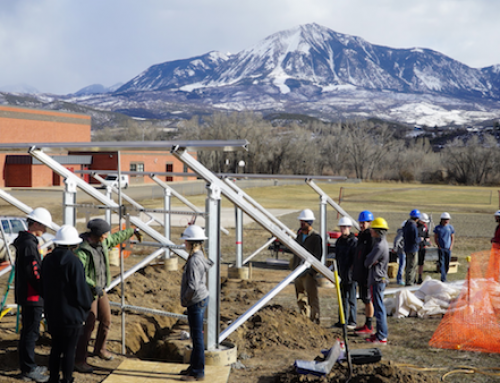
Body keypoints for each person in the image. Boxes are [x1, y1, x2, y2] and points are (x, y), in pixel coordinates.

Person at [74, 219, 142, 373]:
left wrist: (132, 231)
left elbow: (115, 238)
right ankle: (79, 359)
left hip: (100, 290)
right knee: (88, 324)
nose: (106, 238)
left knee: (106, 320)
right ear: (96, 235)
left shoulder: (102, 243)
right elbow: (81, 274)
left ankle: (100, 349)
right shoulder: (82, 251)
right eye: (103, 236)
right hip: (89, 292)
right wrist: (94, 285)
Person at [41, 226, 93, 383]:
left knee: (55, 348)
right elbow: (80, 289)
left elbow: (42, 286)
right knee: (70, 350)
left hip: (53, 312)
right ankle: (67, 378)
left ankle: (53, 378)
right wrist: (86, 306)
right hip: (73, 315)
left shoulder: (47, 260)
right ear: (73, 244)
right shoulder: (74, 262)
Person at [14, 208, 53, 383]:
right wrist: (43, 287)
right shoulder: (29, 244)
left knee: (28, 332)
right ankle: (28, 368)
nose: (45, 229)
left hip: (28, 294)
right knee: (31, 333)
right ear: (35, 223)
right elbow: (33, 271)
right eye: (43, 226)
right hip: (32, 296)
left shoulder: (27, 242)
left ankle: (27, 366)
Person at [178, 225, 213, 382]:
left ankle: (198, 372)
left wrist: (185, 300)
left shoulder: (193, 261)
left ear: (191, 243)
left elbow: (193, 286)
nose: (184, 243)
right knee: (195, 336)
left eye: (186, 241)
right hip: (200, 300)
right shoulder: (199, 257)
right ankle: (193, 367)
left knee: (197, 338)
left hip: (195, 301)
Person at [290, 209, 323, 324]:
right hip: (298, 272)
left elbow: (317, 256)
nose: (301, 224)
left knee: (312, 297)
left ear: (309, 223)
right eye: (301, 221)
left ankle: (315, 319)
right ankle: (304, 319)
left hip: (308, 274)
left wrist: (311, 272)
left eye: (303, 222)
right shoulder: (299, 237)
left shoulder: (315, 238)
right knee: (300, 298)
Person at [364, 217, 389, 345]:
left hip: (377, 279)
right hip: (379, 279)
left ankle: (382, 336)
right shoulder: (383, 243)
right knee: (379, 308)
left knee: (379, 309)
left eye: (372, 229)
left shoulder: (379, 246)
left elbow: (367, 262)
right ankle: (380, 334)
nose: (370, 231)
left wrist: (370, 260)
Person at [353, 210, 375, 335]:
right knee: (364, 298)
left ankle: (369, 324)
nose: (362, 225)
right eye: (361, 222)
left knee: (367, 299)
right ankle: (367, 324)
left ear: (369, 222)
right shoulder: (361, 237)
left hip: (367, 275)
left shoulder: (370, 238)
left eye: (365, 222)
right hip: (360, 273)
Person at [334, 217, 358, 330]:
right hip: (341, 274)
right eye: (341, 227)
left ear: (349, 227)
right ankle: (342, 320)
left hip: (351, 275)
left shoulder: (354, 242)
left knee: (351, 299)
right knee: (342, 298)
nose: (343, 229)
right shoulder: (339, 241)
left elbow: (355, 260)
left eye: (345, 227)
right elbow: (337, 257)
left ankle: (352, 321)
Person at [434, 212, 455, 282]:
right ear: (442, 220)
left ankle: (445, 275)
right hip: (441, 249)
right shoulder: (438, 228)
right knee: (441, 263)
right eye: (445, 219)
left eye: (448, 219)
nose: (447, 221)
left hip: (448, 248)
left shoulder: (450, 228)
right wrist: (438, 246)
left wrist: (451, 246)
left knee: (447, 263)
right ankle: (443, 278)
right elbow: (435, 238)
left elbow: (452, 238)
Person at [403, 209, 420, 286]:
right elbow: (415, 239)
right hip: (413, 249)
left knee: (408, 266)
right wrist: (421, 239)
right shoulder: (413, 226)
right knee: (412, 266)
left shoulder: (407, 224)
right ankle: (410, 283)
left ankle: (408, 281)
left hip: (407, 247)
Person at [417, 213, 431, 284]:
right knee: (415, 263)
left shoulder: (425, 226)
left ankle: (420, 277)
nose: (424, 223)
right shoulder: (415, 226)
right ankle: (413, 277)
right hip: (416, 247)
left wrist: (427, 241)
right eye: (423, 221)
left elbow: (427, 236)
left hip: (423, 247)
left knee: (421, 263)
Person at [392, 221, 406, 286]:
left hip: (403, 250)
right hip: (402, 251)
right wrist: (395, 248)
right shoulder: (402, 232)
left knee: (402, 265)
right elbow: (396, 240)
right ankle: (399, 279)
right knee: (402, 265)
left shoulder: (403, 232)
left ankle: (400, 279)